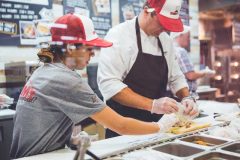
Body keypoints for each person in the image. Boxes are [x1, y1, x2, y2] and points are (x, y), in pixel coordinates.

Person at [10, 13, 179, 159]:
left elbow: (43, 122)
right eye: (89, 48)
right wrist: (161, 126)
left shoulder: (44, 70)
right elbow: (120, 125)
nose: (93, 53)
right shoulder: (65, 79)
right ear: (70, 48)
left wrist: (68, 139)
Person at [97, 0, 199, 138]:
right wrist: (153, 104)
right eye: (162, 23)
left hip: (159, 126)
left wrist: (187, 97)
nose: (165, 29)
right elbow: (110, 85)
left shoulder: (165, 40)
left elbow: (176, 77)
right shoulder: (119, 35)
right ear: (147, 11)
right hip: (124, 127)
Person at [171, 25, 215, 98]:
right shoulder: (180, 51)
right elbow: (190, 75)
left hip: (177, 95)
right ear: (180, 35)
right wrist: (205, 72)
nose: (189, 39)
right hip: (186, 96)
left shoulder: (172, 50)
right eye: (187, 36)